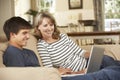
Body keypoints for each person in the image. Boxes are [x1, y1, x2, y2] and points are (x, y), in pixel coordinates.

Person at [34, 11, 120, 76]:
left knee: (106, 59)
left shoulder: (62, 36)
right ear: (38, 27)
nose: (49, 28)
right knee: (110, 71)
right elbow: (50, 70)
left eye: (51, 25)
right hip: (78, 72)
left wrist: (92, 55)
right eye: (45, 25)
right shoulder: (42, 45)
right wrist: (78, 72)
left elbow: (80, 52)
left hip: (87, 63)